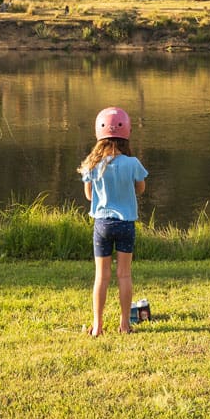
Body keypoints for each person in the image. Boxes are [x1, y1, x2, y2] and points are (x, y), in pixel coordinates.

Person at [80, 106, 148, 335]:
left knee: (102, 275)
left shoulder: (92, 164)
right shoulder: (133, 163)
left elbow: (89, 196)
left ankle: (97, 326)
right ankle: (124, 324)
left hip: (102, 225)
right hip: (126, 224)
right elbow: (140, 189)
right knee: (124, 275)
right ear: (126, 133)